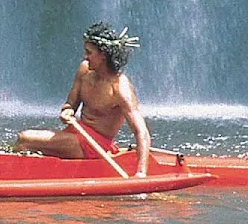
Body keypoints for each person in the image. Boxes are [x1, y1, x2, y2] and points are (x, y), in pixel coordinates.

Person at [15, 22, 151, 177]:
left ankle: (16, 175)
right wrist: (67, 111)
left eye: (89, 52)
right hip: (75, 134)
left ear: (103, 55)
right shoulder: (84, 70)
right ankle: (28, 171)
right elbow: (70, 104)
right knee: (28, 145)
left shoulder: (120, 89)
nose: (84, 56)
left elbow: (141, 132)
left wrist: (141, 172)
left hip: (94, 146)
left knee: (24, 139)